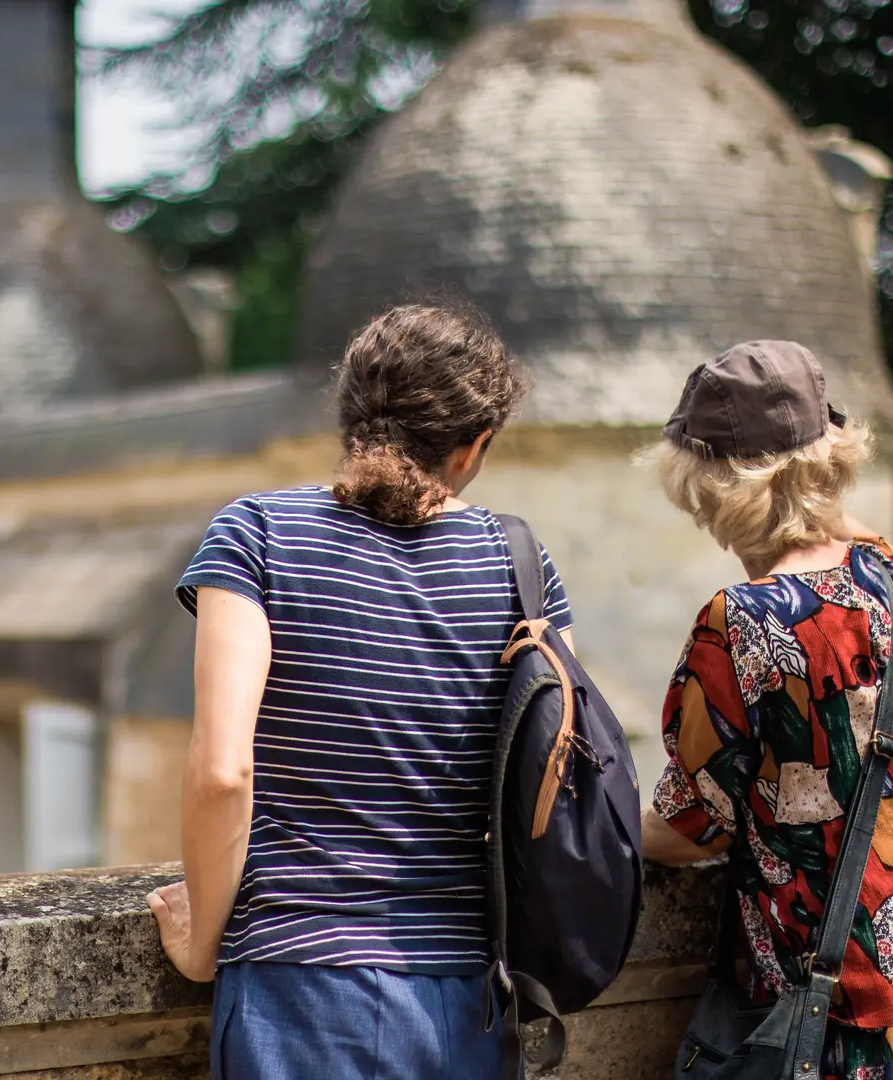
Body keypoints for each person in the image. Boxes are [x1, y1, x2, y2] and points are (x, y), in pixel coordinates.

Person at [145, 304, 575, 1080]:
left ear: (351, 417)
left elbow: (221, 773)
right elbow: (555, 770)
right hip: (463, 996)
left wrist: (202, 945)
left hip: (294, 988)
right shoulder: (521, 566)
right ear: (474, 445)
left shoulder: (256, 534)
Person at [640, 341, 893, 1079]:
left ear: (715, 488)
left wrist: (586, 823)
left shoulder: (741, 621)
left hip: (836, 1008)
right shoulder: (886, 574)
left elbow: (690, 827)